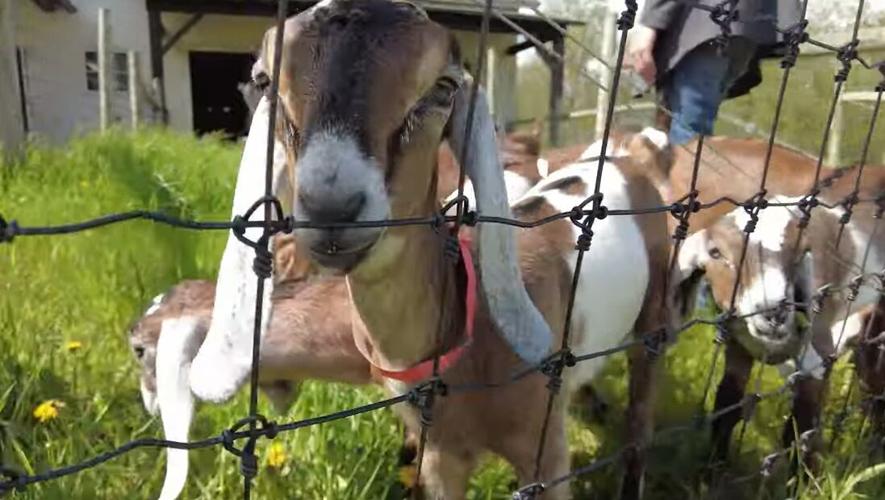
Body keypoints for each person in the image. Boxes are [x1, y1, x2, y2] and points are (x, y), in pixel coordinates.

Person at [626, 0, 801, 145]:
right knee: (691, 131)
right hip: (748, 25)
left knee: (688, 139)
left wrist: (650, 23)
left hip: (705, 25)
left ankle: (686, 183)